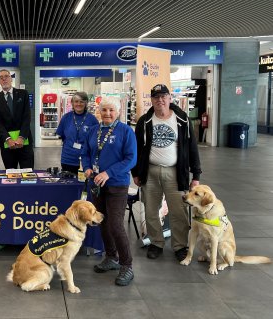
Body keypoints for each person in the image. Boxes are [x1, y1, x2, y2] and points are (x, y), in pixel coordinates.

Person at [131, 83, 201, 262]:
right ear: (152, 100)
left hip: (175, 173)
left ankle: (180, 246)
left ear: (170, 98)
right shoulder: (145, 120)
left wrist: (196, 176)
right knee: (151, 210)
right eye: (156, 97)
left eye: (163, 96)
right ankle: (156, 243)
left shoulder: (182, 120)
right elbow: (136, 149)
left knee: (179, 211)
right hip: (150, 172)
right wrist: (136, 173)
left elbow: (192, 148)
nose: (160, 100)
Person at [81, 97, 137, 286]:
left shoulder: (126, 131)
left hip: (117, 185)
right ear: (99, 111)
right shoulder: (94, 130)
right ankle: (111, 258)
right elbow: (86, 153)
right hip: (97, 184)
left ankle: (127, 265)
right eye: (104, 110)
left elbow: (131, 159)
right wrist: (87, 167)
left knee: (115, 224)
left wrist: (108, 173)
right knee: (101, 222)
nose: (107, 113)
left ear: (118, 112)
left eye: (111, 110)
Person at [0, 69, 34, 169]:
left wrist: (21, 137)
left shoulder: (23, 94)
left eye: (6, 76)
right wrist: (8, 139)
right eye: (1, 78)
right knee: (11, 174)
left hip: (24, 142)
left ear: (11, 78)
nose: (4, 79)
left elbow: (27, 117)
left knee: (28, 173)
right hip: (7, 144)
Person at [56, 91, 98, 174]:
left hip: (86, 161)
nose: (79, 104)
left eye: (82, 101)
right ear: (72, 103)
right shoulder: (66, 118)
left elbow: (95, 140)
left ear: (86, 103)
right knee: (68, 183)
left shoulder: (92, 120)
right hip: (67, 159)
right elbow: (63, 136)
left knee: (84, 185)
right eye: (76, 101)